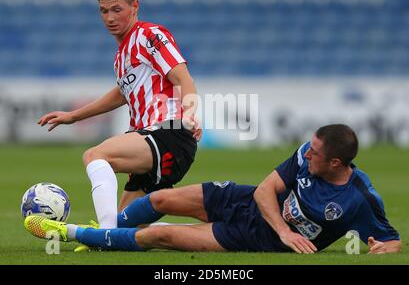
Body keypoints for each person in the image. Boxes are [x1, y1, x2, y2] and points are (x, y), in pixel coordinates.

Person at [25, 124, 401, 254]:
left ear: (336, 163)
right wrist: (287, 228)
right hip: (247, 200)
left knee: (162, 237)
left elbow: (391, 241)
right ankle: (105, 234)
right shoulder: (306, 154)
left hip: (254, 235)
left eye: (317, 153)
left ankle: (71, 232)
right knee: (160, 199)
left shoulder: (360, 199)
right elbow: (265, 189)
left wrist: (381, 249)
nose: (308, 153)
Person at [37, 0, 201, 230]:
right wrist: (73, 116)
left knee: (95, 155)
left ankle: (105, 234)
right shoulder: (121, 56)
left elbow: (182, 77)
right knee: (128, 228)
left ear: (134, 6)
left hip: (167, 132)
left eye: (117, 10)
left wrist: (190, 113)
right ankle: (215, 231)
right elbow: (122, 94)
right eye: (104, 11)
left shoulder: (149, 35)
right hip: (154, 141)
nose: (110, 18)